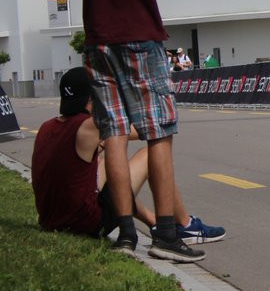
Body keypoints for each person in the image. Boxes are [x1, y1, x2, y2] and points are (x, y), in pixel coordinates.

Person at [45, 0, 203, 262]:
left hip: (98, 44)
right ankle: (167, 234)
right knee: (159, 133)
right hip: (141, 40)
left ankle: (127, 234)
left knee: (113, 133)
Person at [31, 67, 225, 250]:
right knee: (148, 155)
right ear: (95, 96)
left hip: (51, 220)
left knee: (110, 164)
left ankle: (154, 223)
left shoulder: (47, 126)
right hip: (84, 224)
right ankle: (186, 225)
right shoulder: (90, 126)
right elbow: (145, 130)